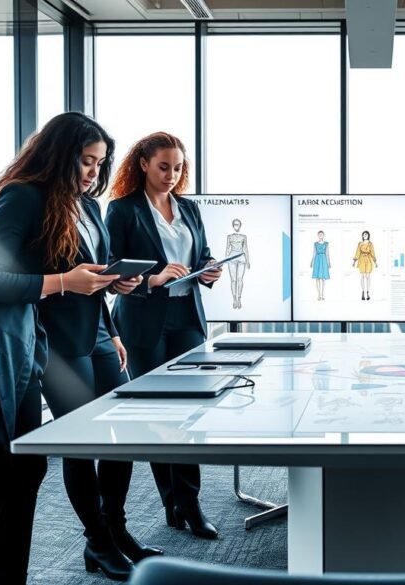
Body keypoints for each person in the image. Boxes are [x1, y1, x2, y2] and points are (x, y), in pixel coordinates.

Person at [13, 113, 159, 581]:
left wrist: (120, 289)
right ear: (59, 156)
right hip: (55, 342)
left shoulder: (89, 207)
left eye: (100, 162)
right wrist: (64, 282)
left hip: (96, 333)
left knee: (123, 435)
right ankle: (97, 541)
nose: (94, 171)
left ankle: (115, 530)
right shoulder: (25, 198)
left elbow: (93, 278)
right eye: (86, 160)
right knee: (81, 445)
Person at [106, 131, 222, 541]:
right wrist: (152, 279)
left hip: (187, 315)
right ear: (143, 164)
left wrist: (208, 269)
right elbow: (111, 270)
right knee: (158, 412)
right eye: (163, 167)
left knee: (191, 408)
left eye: (177, 168)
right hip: (143, 319)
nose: (171, 175)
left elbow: (202, 251)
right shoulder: (122, 211)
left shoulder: (188, 208)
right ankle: (170, 499)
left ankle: (189, 502)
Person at [226, 219, 249, 309]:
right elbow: (227, 249)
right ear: (233, 225)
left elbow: (246, 249)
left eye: (238, 224)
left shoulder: (243, 236)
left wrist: (248, 260)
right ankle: (234, 299)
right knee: (233, 280)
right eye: (235, 224)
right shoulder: (229, 237)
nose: (236, 226)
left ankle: (239, 299)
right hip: (231, 258)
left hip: (241, 258)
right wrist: (225, 260)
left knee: (240, 279)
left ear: (240, 225)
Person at [352, 230, 377, 300]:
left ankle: (368, 292)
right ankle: (363, 291)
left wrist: (375, 262)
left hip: (368, 260)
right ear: (362, 236)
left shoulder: (370, 244)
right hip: (362, 260)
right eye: (364, 235)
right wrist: (354, 261)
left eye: (366, 234)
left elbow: (373, 253)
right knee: (362, 276)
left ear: (368, 235)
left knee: (368, 276)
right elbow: (357, 252)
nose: (365, 236)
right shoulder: (360, 243)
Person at [311, 230, 330, 300]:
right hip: (317, 260)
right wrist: (312, 261)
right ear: (318, 235)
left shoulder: (326, 243)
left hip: (324, 260)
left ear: (323, 235)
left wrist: (329, 262)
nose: (320, 235)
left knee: (323, 278)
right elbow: (314, 253)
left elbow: (327, 253)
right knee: (317, 278)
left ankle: (322, 294)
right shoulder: (315, 243)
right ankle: (319, 294)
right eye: (319, 234)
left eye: (321, 234)